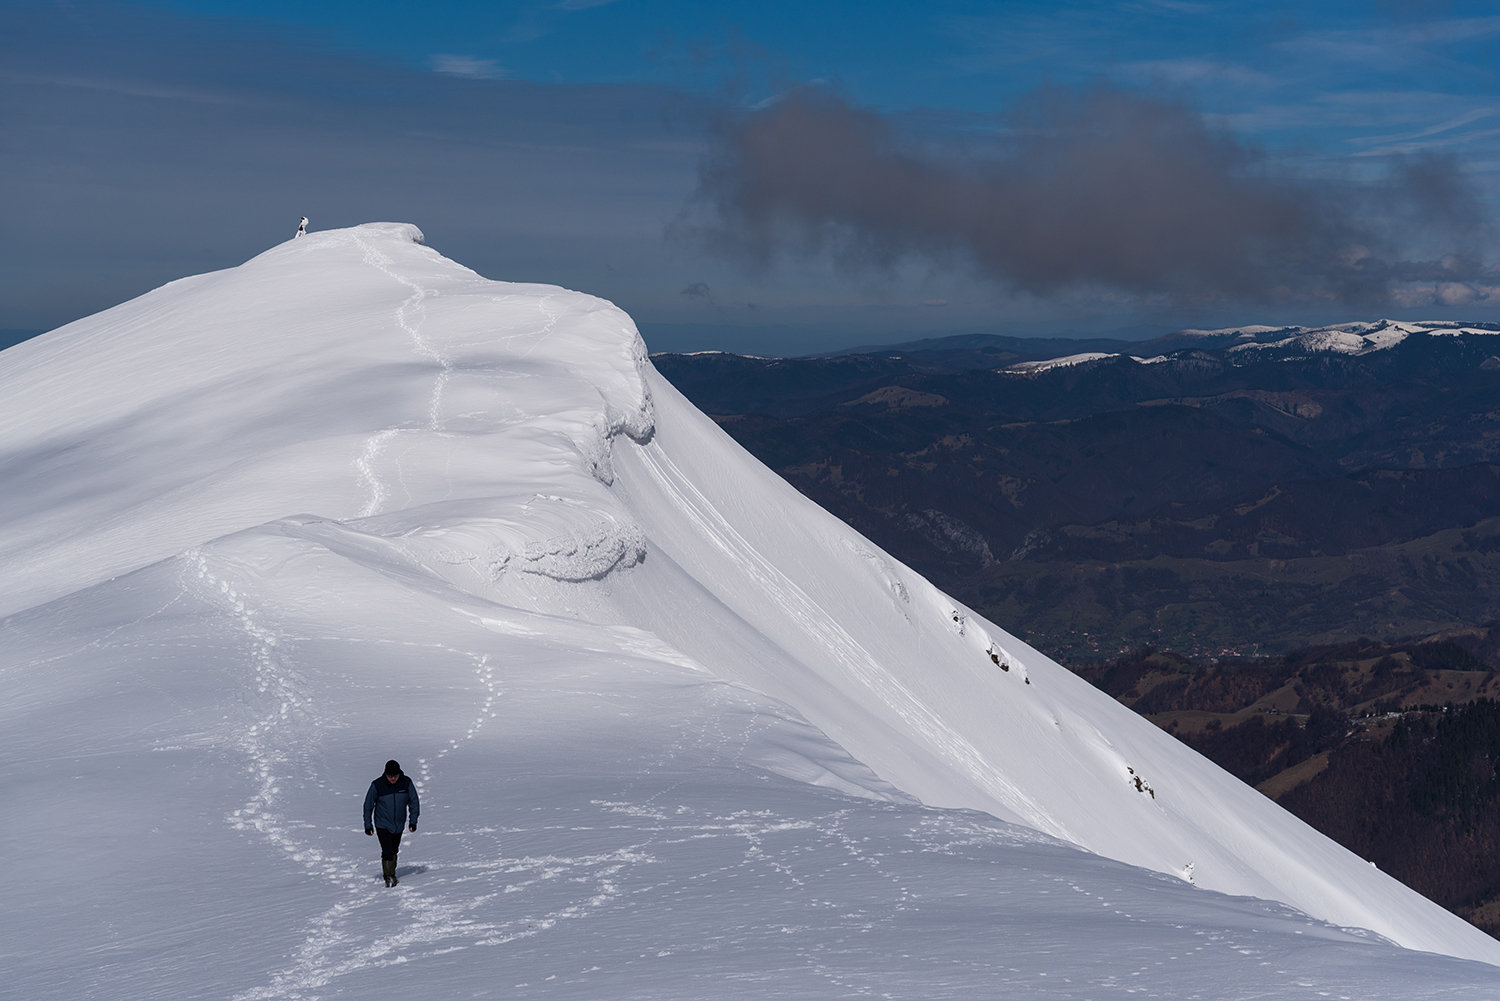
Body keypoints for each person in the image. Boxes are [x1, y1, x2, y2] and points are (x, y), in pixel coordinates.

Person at [363, 759, 419, 887]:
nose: (393, 778)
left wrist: (413, 821)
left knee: (394, 850)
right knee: (387, 851)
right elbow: (368, 806)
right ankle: (389, 877)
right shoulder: (377, 785)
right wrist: (368, 825)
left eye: (395, 776)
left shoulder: (406, 783)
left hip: (399, 824)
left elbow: (414, 802)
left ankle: (391, 873)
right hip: (382, 823)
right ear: (385, 774)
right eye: (390, 776)